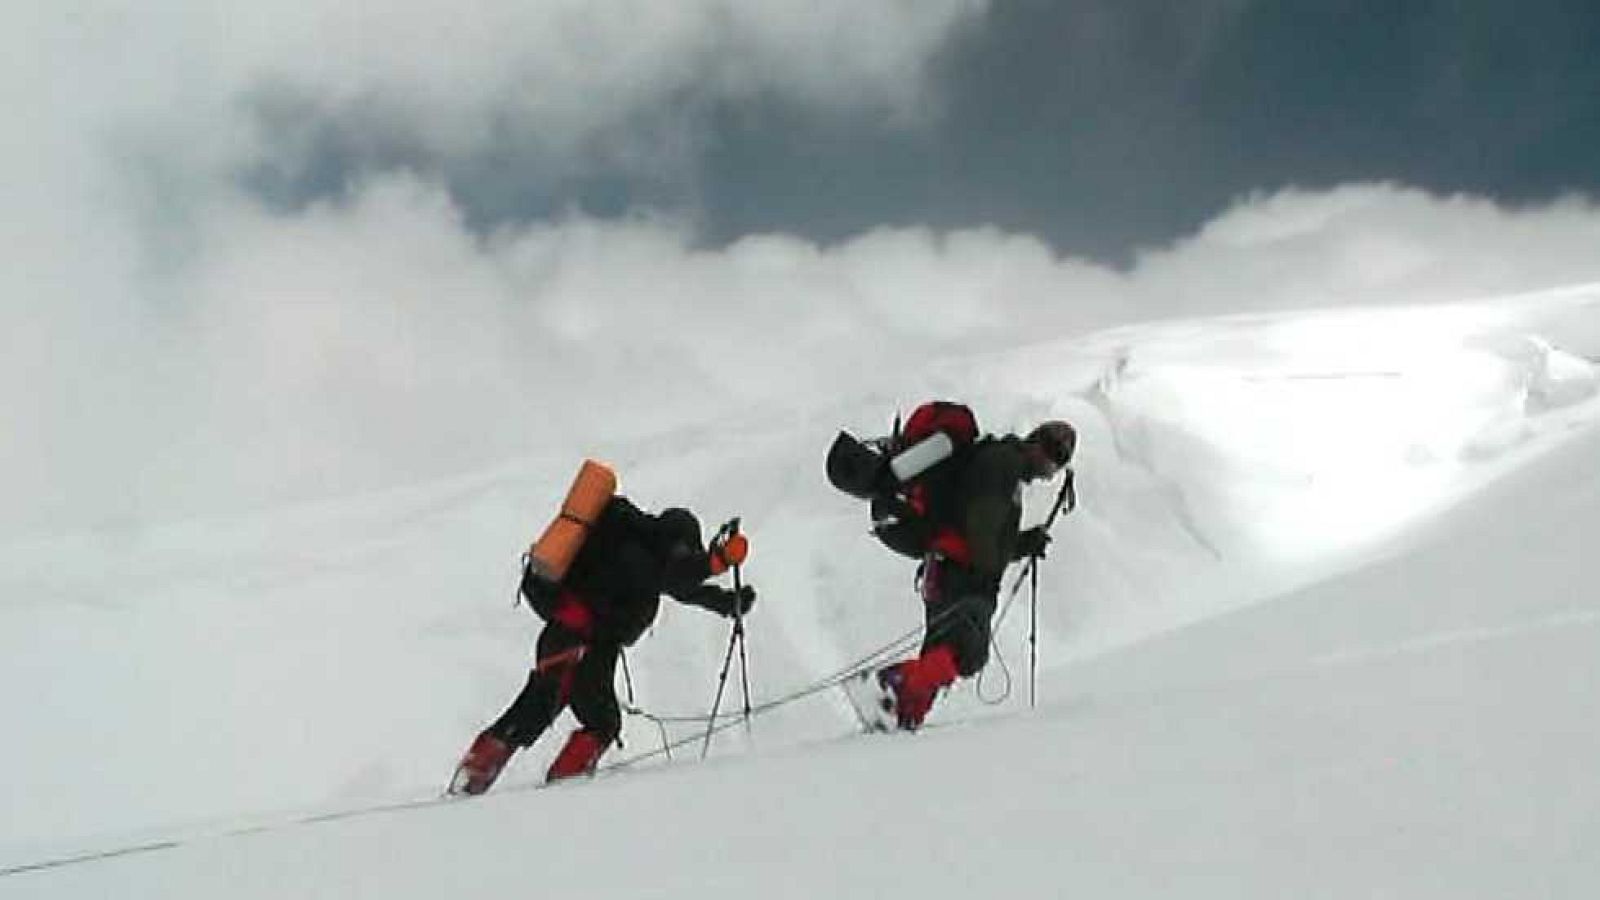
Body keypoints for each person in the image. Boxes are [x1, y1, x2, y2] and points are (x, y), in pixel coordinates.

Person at [450, 495, 755, 794]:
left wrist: (728, 602)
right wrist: (715, 563)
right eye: (686, 552)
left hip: (568, 637)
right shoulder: (639, 554)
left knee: (543, 709)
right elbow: (675, 578)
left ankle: (476, 775)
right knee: (592, 720)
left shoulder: (637, 552)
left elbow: (680, 586)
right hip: (584, 643)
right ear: (676, 543)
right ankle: (559, 788)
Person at [869, 415, 1076, 731]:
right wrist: (991, 565)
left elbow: (987, 532)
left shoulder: (1003, 464)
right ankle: (893, 684)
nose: (1049, 474)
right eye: (1052, 462)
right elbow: (982, 527)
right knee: (965, 651)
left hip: (947, 565)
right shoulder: (1003, 464)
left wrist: (1022, 544)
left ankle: (902, 714)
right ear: (1037, 445)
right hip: (960, 570)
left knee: (945, 650)